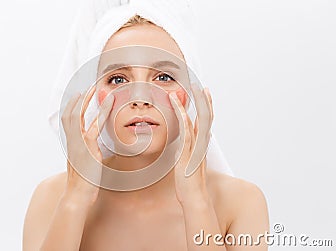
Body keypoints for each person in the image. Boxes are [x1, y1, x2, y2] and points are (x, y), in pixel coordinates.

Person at [23, 13, 269, 251]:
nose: (140, 98)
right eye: (118, 79)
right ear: (93, 97)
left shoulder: (241, 202)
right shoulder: (52, 198)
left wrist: (196, 200)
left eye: (163, 76)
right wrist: (75, 200)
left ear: (193, 97)